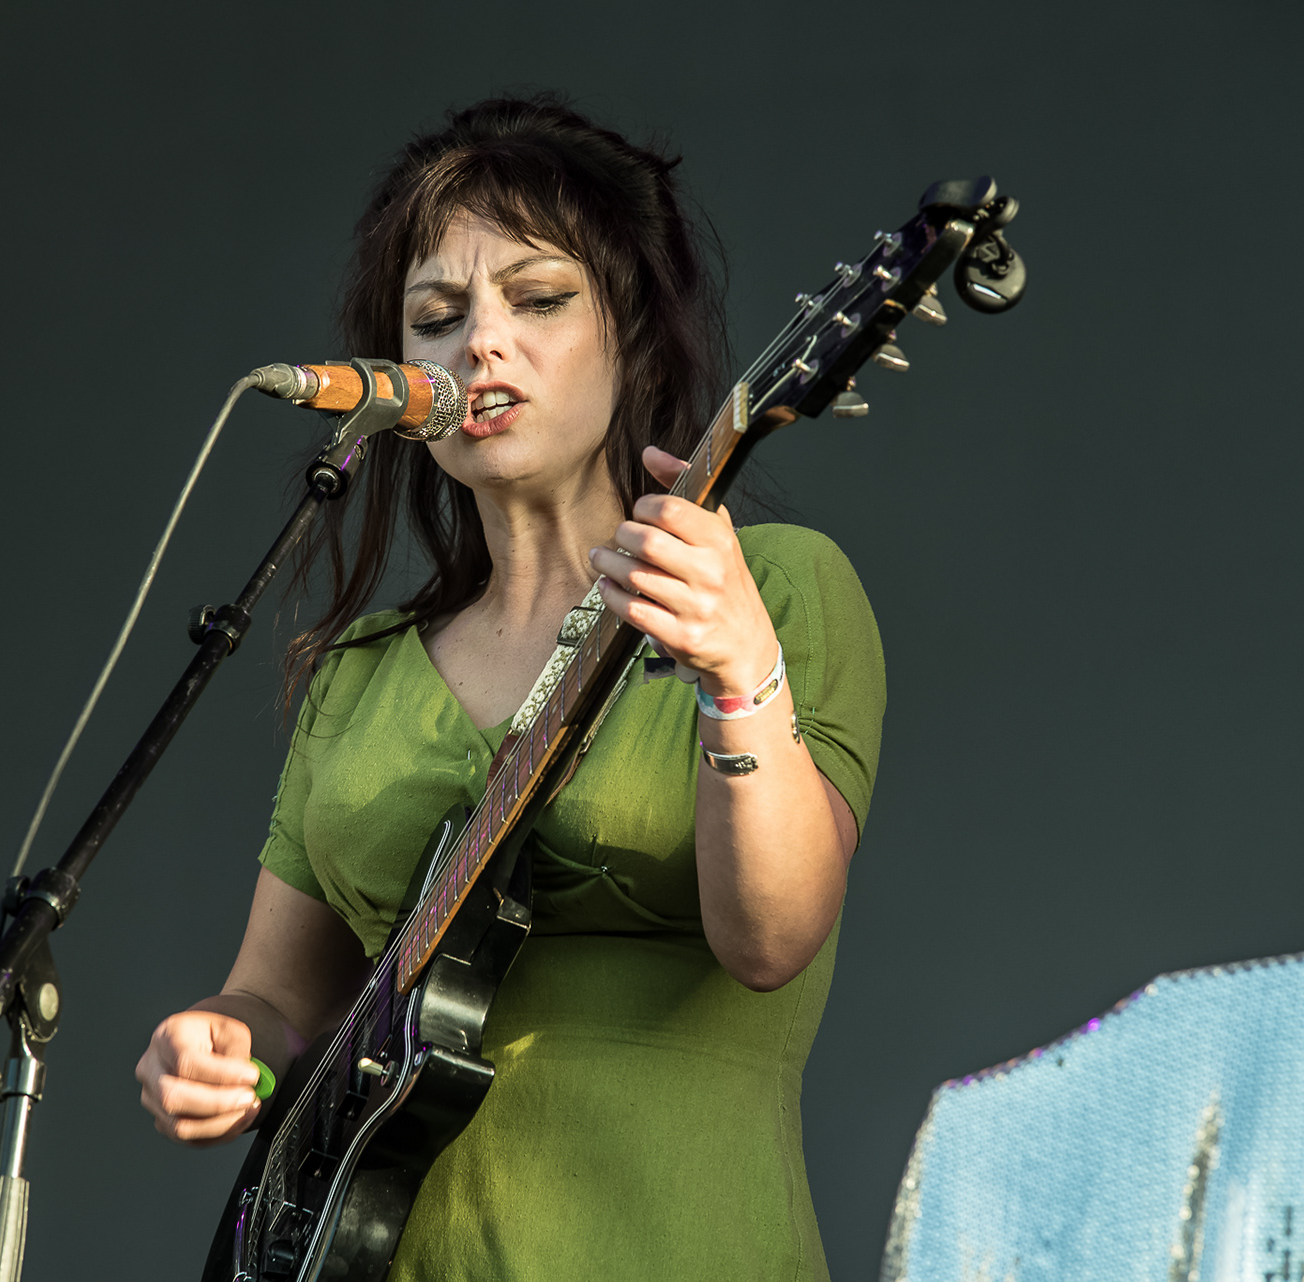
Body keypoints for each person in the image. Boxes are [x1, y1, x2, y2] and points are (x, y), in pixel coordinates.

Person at [135, 94, 885, 1280]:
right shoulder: (359, 673)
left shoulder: (772, 586)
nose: (481, 343)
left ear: (634, 335)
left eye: (539, 300)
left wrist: (738, 672)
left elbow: (774, 937)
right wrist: (219, 1046)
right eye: (438, 317)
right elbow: (275, 1003)